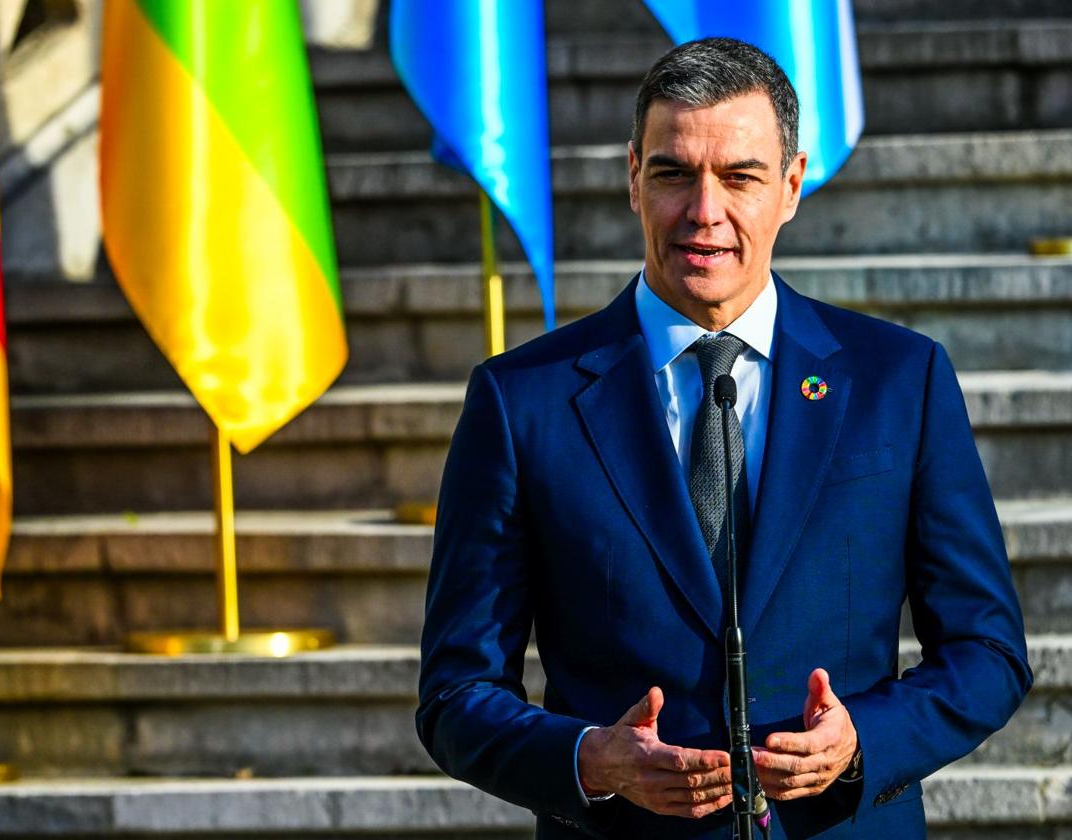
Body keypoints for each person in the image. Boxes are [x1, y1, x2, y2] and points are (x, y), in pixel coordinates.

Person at [416, 37, 1032, 839]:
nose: (704, 211)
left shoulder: (899, 380)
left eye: (739, 176)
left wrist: (860, 743)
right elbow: (457, 692)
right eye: (674, 173)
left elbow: (988, 651)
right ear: (633, 179)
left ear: (791, 186)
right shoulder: (519, 400)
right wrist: (591, 759)